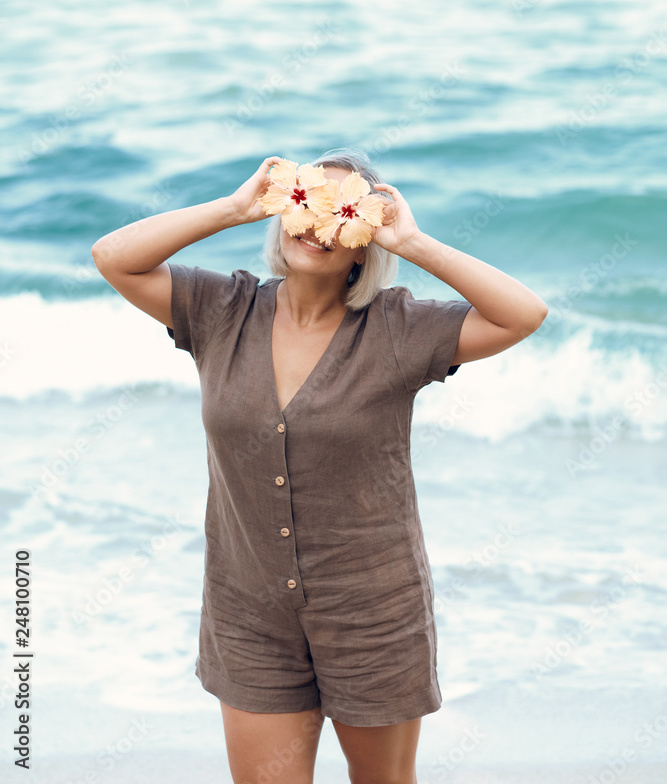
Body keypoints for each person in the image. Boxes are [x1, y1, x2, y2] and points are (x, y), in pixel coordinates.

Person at [91, 147, 548, 784]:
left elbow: (524, 314)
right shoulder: (223, 310)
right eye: (306, 201)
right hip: (248, 614)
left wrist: (412, 243)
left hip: (372, 616)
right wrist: (233, 209)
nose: (318, 222)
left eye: (343, 211)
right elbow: (113, 256)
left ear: (364, 242)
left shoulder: (398, 329)